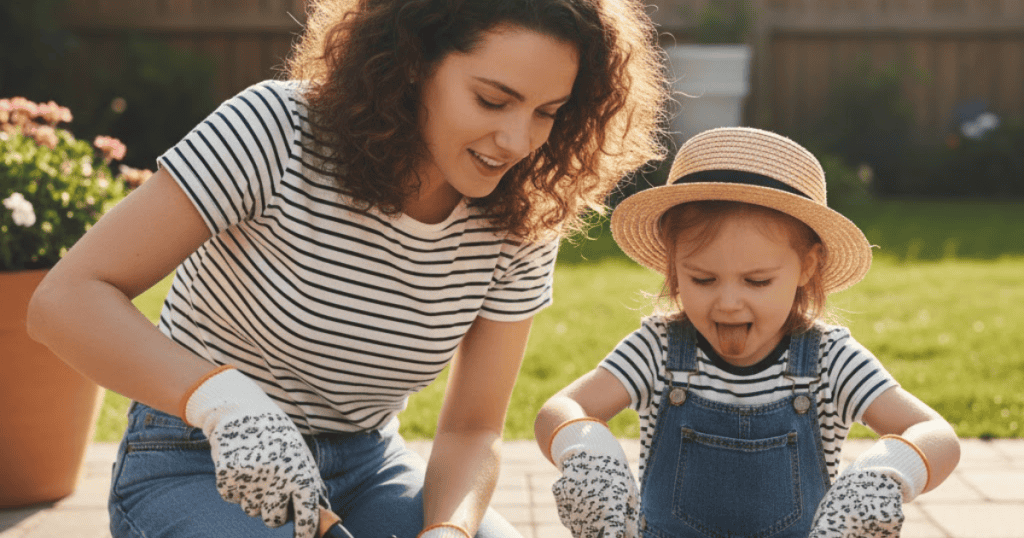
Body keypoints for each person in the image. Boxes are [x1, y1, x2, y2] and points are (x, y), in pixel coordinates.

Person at [26, 0, 669, 536]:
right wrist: (226, 403)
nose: (519, 140)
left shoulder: (524, 212)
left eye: (548, 113)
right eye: (492, 99)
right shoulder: (276, 129)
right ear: (414, 63)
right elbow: (67, 299)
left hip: (367, 466)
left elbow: (473, 427)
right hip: (193, 456)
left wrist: (448, 530)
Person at [534, 127, 961, 538]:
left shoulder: (829, 360)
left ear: (806, 267)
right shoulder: (659, 349)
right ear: (673, 264)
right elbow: (563, 407)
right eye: (702, 279)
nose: (728, 302)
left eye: (756, 282)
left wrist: (883, 476)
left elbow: (935, 434)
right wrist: (589, 454)